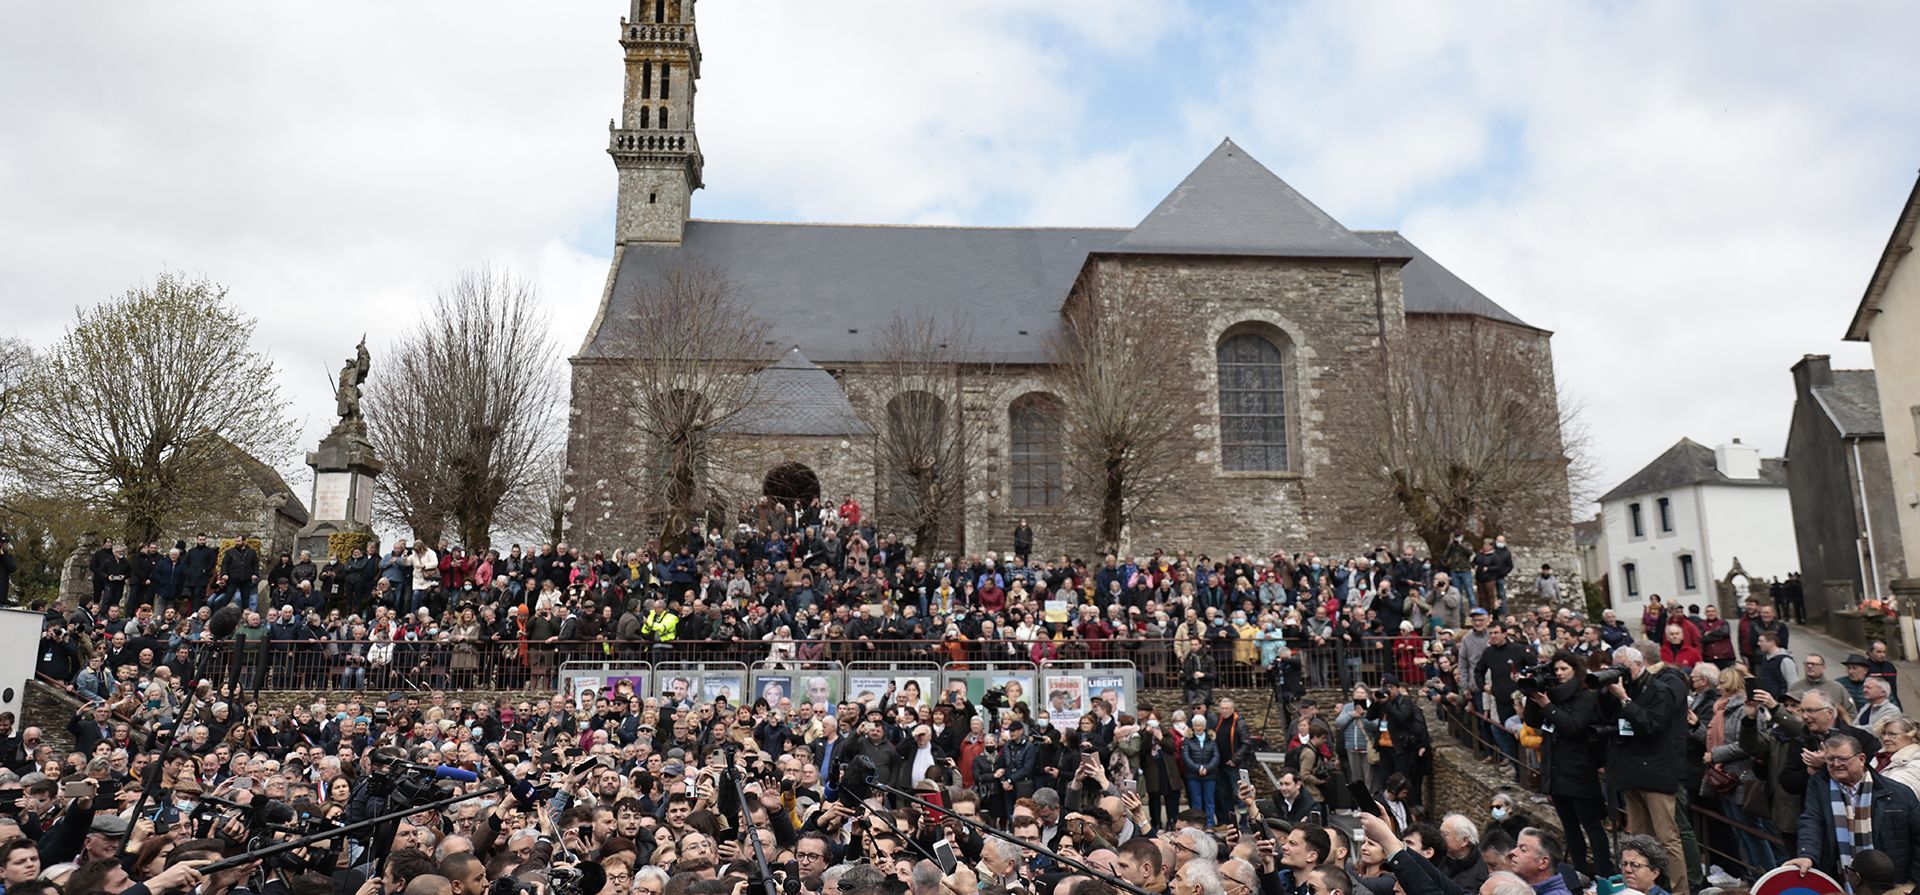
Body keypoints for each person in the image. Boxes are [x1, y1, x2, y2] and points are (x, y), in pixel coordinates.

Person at [1601, 646, 1692, 895]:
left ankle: (1679, 891)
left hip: (1657, 773)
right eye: (1616, 667)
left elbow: (1651, 725)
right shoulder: (1624, 687)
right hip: (1631, 772)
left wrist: (1623, 698)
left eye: (1623, 667)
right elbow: (1608, 719)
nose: (1620, 672)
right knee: (1638, 840)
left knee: (1667, 838)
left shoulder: (1658, 689)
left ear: (1639, 664)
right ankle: (1640, 890)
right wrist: (1608, 688)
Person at [1786, 733, 1920, 883]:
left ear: (1861, 759)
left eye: (1843, 759)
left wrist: (1913, 883)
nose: (1836, 764)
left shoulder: (1897, 793)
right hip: (1839, 879)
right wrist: (1807, 855)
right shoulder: (1819, 786)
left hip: (1890, 883)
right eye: (1830, 759)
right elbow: (1812, 820)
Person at [1522, 652, 1611, 876]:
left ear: (1575, 670)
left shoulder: (1585, 696)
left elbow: (1574, 727)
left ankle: (1603, 874)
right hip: (1555, 770)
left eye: (1564, 669)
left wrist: (1548, 705)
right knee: (1570, 828)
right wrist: (1532, 695)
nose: (1559, 674)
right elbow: (1532, 721)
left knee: (1592, 826)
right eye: (1556, 670)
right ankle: (1579, 873)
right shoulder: (1552, 693)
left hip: (1579, 768)